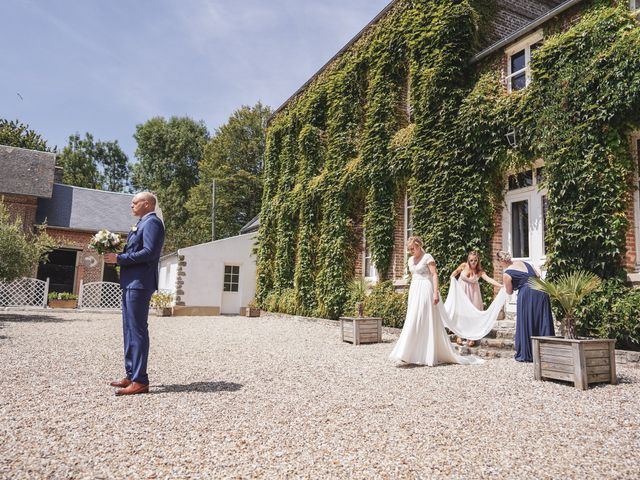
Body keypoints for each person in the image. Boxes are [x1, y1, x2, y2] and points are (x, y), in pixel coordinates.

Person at [104, 192, 165, 395]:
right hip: (130, 282)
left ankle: (140, 380)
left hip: (140, 283)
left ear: (147, 204)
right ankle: (131, 374)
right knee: (128, 330)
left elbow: (150, 253)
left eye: (135, 202)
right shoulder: (140, 223)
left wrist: (119, 258)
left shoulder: (152, 223)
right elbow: (136, 249)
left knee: (137, 331)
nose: (131, 205)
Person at [389, 236, 483, 366]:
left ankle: (425, 353)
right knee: (412, 318)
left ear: (419, 246)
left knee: (423, 318)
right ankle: (408, 353)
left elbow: (434, 275)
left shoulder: (428, 257)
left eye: (413, 248)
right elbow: (413, 276)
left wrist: (435, 292)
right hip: (415, 290)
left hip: (426, 290)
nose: (411, 251)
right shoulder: (410, 260)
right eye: (409, 249)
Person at [496, 250, 554, 362]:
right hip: (541, 290)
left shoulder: (507, 274)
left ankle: (528, 353)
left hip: (527, 295)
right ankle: (547, 352)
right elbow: (538, 274)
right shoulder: (524, 262)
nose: (499, 265)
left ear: (501, 261)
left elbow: (509, 292)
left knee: (527, 321)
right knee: (542, 320)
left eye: (499, 262)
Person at [450, 251, 503, 347]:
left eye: (475, 260)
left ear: (478, 261)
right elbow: (455, 272)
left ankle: (471, 337)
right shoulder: (463, 266)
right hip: (462, 294)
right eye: (471, 260)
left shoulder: (479, 272)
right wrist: (452, 278)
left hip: (474, 295)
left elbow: (489, 279)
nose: (473, 262)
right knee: (461, 314)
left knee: (472, 315)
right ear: (468, 260)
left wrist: (500, 285)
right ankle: (460, 336)